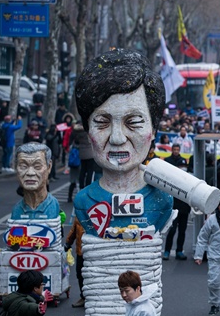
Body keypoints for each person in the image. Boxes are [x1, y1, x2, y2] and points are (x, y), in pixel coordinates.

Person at [73, 48, 173, 236]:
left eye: (133, 122)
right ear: (88, 132)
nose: (117, 138)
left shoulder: (163, 201)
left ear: (153, 131)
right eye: (102, 123)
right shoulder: (83, 202)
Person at [11, 143, 60, 220]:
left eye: (37, 167)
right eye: (23, 166)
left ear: (49, 167)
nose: (30, 173)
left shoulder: (53, 206)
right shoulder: (17, 210)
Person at [163, 144, 191, 260]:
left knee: (182, 230)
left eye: (177, 150)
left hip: (184, 206)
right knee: (172, 229)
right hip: (174, 205)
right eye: (174, 149)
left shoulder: (188, 181)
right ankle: (167, 251)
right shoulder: (167, 161)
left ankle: (179, 250)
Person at [65, 218, 85, 308]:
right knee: (80, 274)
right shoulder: (79, 215)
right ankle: (84, 297)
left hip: (94, 250)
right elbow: (74, 229)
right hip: (81, 251)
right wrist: (68, 242)